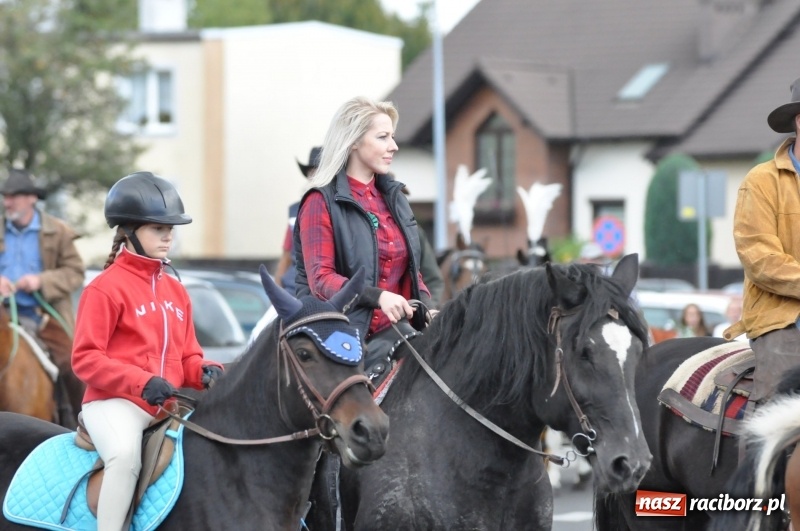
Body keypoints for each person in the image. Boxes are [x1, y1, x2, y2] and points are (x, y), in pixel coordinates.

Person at [71, 171, 224, 531]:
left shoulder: (176, 290)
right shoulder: (104, 289)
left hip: (165, 404)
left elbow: (187, 357)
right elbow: (85, 359)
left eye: (171, 228)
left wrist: (204, 370)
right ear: (129, 231)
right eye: (159, 228)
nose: (168, 235)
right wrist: (141, 382)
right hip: (114, 404)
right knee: (125, 458)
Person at [294, 96, 434, 339]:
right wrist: (378, 296)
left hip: (398, 333)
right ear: (353, 142)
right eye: (383, 137)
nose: (394, 146)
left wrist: (428, 310)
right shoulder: (319, 201)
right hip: (338, 336)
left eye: (392, 136)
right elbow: (321, 281)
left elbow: (412, 272)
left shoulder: (396, 199)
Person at [726, 76, 800, 402]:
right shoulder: (761, 181)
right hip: (782, 320)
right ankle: (757, 454)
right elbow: (760, 258)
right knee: (776, 413)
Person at [0, 168, 85, 421]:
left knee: (73, 365)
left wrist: (41, 281)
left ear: (31, 198)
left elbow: (75, 271)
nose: (7, 202)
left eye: (13, 196)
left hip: (42, 316)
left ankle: (81, 425)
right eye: (5, 196)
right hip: (3, 314)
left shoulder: (58, 232)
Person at [274, 146, 322, 295]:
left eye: (319, 172)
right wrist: (275, 289)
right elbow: (286, 254)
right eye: (311, 173)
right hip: (292, 286)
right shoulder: (295, 210)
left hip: (321, 287)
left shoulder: (338, 209)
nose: (314, 178)